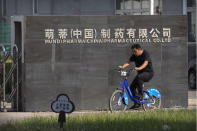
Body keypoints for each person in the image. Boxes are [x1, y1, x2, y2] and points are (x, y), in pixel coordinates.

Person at [119, 44, 154, 109]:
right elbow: (128, 62)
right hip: (140, 74)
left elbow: (146, 63)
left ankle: (140, 95)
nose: (134, 53)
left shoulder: (145, 53)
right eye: (133, 51)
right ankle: (137, 104)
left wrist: (139, 68)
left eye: (135, 51)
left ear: (139, 50)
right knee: (132, 87)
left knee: (139, 77)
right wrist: (122, 67)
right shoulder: (134, 56)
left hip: (148, 73)